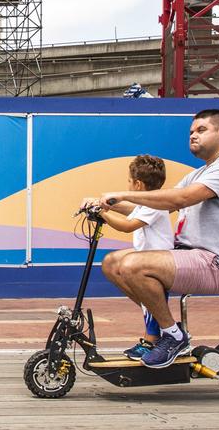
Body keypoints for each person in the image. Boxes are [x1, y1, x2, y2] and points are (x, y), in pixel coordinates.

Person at [82, 109, 219, 369]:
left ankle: (173, 337)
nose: (193, 136)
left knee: (133, 265)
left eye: (201, 130)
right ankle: (164, 333)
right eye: (190, 132)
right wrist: (101, 206)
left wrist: (122, 195)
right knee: (113, 263)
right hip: (190, 255)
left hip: (217, 263)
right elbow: (156, 208)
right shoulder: (200, 173)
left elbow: (180, 199)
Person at [79, 154, 172, 360]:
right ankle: (156, 336)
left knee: (152, 303)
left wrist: (102, 213)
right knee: (146, 301)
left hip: (156, 264)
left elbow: (127, 226)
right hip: (147, 260)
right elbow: (128, 209)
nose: (128, 184)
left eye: (129, 181)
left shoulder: (154, 205)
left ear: (137, 184)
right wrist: (100, 203)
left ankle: (152, 340)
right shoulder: (147, 203)